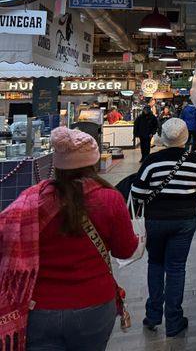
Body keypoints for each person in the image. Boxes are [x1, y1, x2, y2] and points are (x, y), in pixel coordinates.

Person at [0, 127, 138, 351]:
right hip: (94, 304)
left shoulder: (32, 200)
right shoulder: (109, 199)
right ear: (92, 163)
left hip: (39, 307)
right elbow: (125, 250)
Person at [131, 118, 196, 337]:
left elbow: (137, 193)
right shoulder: (195, 160)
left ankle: (152, 316)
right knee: (176, 268)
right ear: (186, 137)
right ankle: (173, 320)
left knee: (156, 263)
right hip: (183, 222)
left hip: (155, 221)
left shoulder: (152, 160)